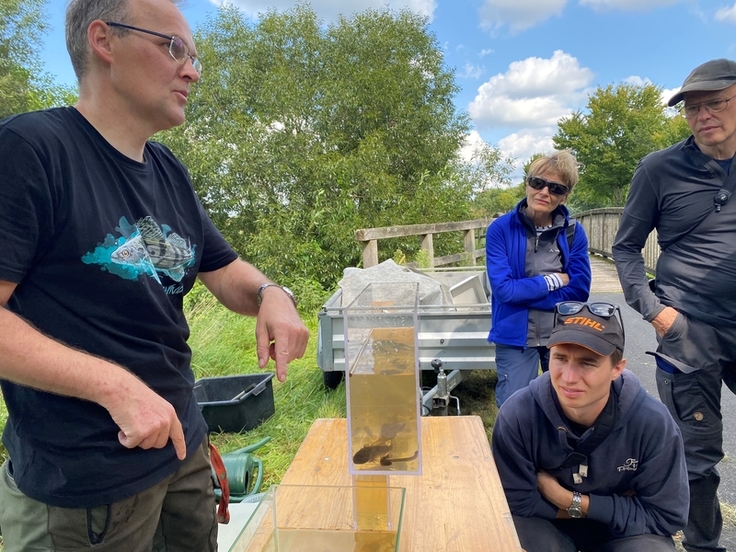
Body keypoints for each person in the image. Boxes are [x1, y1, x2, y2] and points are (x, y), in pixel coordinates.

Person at [0, 0, 310, 549]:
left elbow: (221, 267)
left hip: (183, 455)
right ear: (104, 41)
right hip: (85, 488)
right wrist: (114, 386)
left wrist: (271, 293)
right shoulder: (30, 150)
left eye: (194, 55)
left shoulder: (166, 168)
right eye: (174, 47)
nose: (192, 69)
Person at [612, 58, 736, 552]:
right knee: (698, 454)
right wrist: (655, 311)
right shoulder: (659, 168)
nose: (703, 115)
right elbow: (624, 247)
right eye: (692, 108)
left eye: (715, 103)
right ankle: (704, 546)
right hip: (688, 328)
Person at [492, 301, 689, 552]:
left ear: (617, 368)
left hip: (623, 533)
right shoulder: (519, 415)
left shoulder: (652, 423)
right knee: (508, 539)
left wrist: (572, 501)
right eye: (560, 358)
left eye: (587, 363)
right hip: (546, 526)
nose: (569, 377)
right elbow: (517, 504)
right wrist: (618, 505)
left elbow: (666, 516)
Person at [486, 150, 591, 407]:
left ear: (565, 196)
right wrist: (553, 282)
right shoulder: (500, 229)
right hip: (514, 336)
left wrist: (525, 294)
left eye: (556, 188)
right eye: (538, 183)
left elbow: (579, 290)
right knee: (514, 408)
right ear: (527, 183)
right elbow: (504, 291)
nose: (544, 192)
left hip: (561, 334)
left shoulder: (573, 233)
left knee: (567, 406)